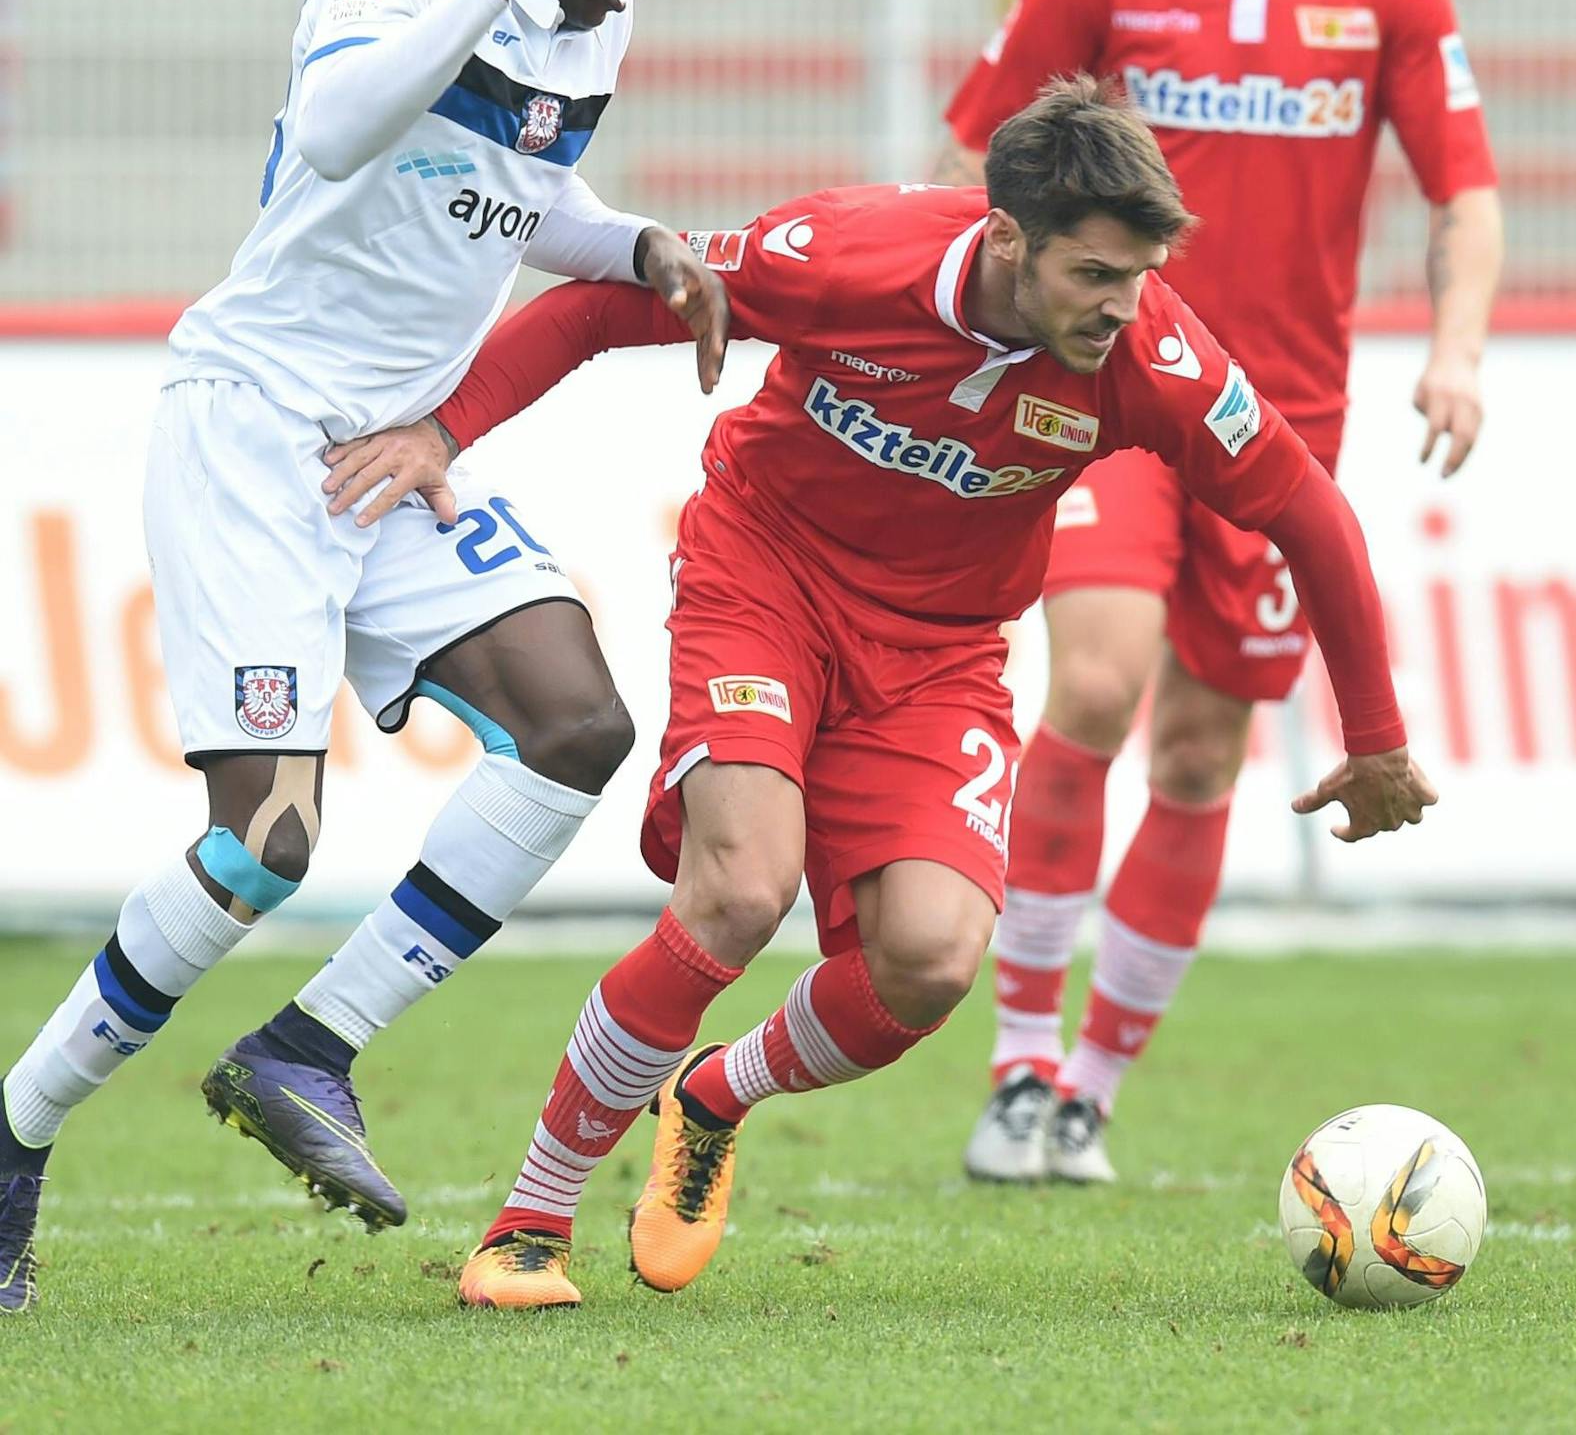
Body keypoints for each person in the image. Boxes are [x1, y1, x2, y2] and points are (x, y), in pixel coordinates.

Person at [319, 74, 1437, 1310]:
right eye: (1092, 276)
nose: (1121, 308)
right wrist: (443, 430)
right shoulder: (847, 255)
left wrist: (1375, 736)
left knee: (930, 960)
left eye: (1134, 277)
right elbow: (601, 308)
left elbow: (1307, 515)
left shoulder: (1151, 354)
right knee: (741, 888)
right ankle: (530, 1220)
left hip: (941, 650)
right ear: (1008, 235)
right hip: (768, 577)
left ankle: (711, 1095)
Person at [0, 0, 730, 1314]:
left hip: (387, 459)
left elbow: (517, 197)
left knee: (580, 721)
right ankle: (18, 1132)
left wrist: (642, 247)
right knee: (268, 843)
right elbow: (337, 133)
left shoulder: (589, 19)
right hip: (257, 429)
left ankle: (305, 1049)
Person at [937, 0, 1504, 1184]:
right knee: (1100, 690)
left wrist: (1454, 350)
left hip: (1281, 428)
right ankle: (1019, 1066)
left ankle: (1091, 1096)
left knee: (1197, 757)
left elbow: (1465, 189)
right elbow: (985, 154)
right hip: (1110, 400)